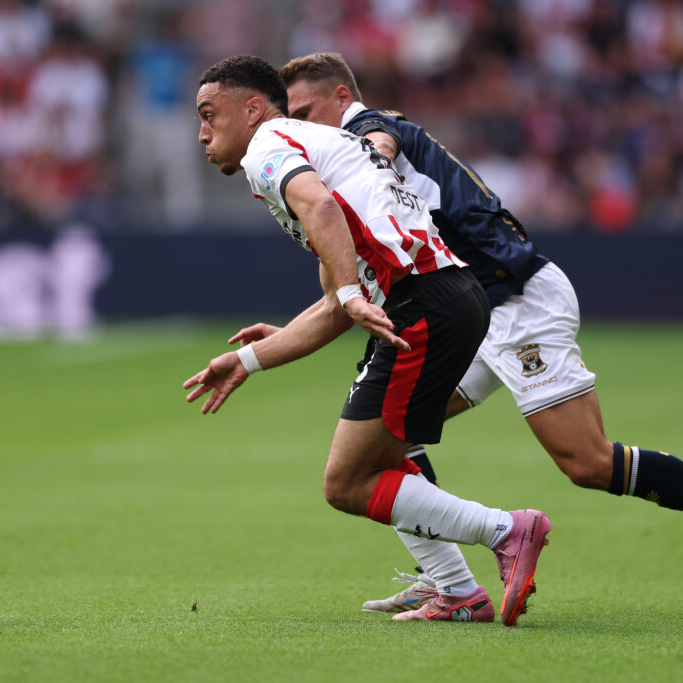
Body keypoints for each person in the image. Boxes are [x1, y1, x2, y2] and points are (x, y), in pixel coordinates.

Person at [226, 52, 683, 612]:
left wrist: (372, 150)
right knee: (384, 438)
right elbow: (338, 291)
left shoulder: (367, 130)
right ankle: (447, 583)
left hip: (513, 297)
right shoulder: (338, 163)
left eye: (300, 115)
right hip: (462, 308)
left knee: (586, 463)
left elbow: (383, 138)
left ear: (342, 97)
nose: (292, 127)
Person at [185, 54, 552, 626]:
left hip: (423, 303)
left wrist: (354, 294)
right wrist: (248, 359)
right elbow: (335, 306)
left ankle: (508, 531)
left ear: (252, 109)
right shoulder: (315, 147)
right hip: (447, 297)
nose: (202, 132)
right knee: (388, 456)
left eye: (210, 114)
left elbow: (321, 211)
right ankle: (458, 591)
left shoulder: (270, 145)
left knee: (346, 482)